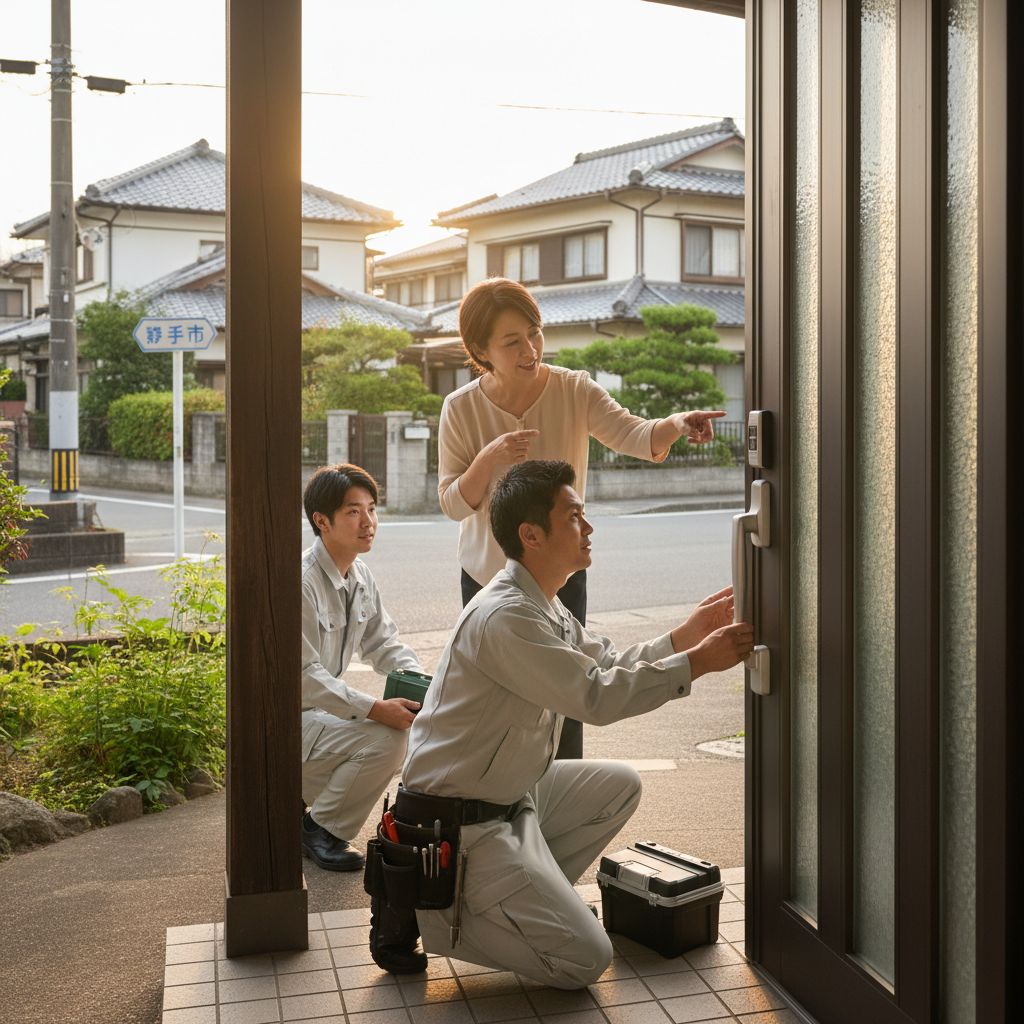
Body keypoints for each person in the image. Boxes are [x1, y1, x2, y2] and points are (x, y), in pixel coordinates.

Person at [397, 459, 753, 989]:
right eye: (575, 517)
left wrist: (683, 638)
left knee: (619, 786)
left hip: (514, 799)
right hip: (461, 823)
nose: (588, 528)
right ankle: (433, 916)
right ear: (531, 535)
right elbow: (595, 697)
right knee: (586, 960)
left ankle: (522, 899)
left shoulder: (543, 603)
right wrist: (699, 662)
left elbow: (605, 664)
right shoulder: (506, 616)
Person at [437, 277, 727, 757]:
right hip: (489, 581)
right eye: (512, 341)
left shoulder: (573, 388)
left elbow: (634, 433)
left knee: (571, 701)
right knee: (498, 704)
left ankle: (561, 801)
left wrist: (675, 424)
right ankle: (505, 808)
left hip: (558, 575)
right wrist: (488, 459)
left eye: (535, 332)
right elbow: (450, 502)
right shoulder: (461, 408)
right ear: (480, 350)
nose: (531, 349)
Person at [300, 463, 423, 875]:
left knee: (403, 727)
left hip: (318, 721)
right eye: (354, 511)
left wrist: (426, 689)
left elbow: (384, 643)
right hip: (286, 728)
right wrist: (375, 707)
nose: (368, 522)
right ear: (322, 521)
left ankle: (315, 812)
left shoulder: (360, 574)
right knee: (386, 738)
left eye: (372, 509)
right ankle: (320, 830)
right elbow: (303, 677)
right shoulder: (301, 583)